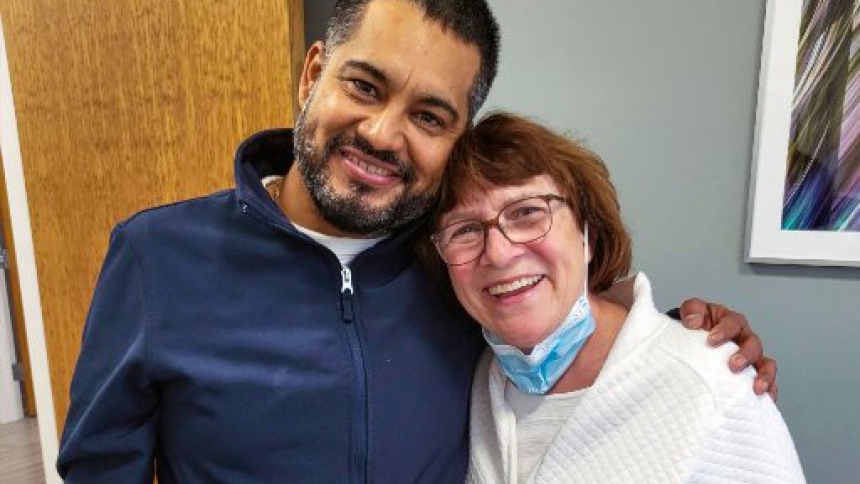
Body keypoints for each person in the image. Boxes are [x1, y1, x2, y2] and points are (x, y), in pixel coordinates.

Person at [57, 1, 776, 483]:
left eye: (429, 116)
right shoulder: (157, 257)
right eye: (365, 87)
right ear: (313, 75)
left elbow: (555, 309)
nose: (381, 134)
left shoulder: (456, 266)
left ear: (456, 140)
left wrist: (687, 329)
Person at [424, 112, 805, 484]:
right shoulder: (473, 379)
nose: (499, 252)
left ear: (587, 232)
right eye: (465, 230)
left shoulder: (711, 385)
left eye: (527, 212)